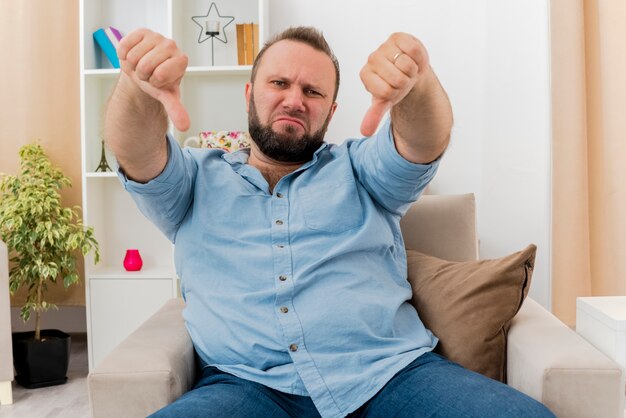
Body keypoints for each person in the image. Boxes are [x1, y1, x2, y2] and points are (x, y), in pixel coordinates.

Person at [104, 25, 554, 418]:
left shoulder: (360, 170)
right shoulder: (194, 180)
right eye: (279, 82)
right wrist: (138, 88)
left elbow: (422, 141)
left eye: (313, 91)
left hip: (392, 375)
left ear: (331, 111)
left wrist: (417, 86)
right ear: (249, 93)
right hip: (244, 388)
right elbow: (138, 150)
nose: (294, 100)